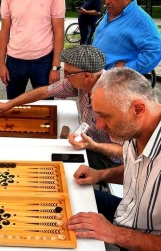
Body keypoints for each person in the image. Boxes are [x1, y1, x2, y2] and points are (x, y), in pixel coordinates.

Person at [67, 67, 161, 251]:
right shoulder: (134, 127)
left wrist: (114, 233)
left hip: (148, 239)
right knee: (66, 196)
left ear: (138, 109)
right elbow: (139, 170)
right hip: (127, 211)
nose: (99, 125)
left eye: (105, 116)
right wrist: (100, 175)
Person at [0, 45, 123, 169]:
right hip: (90, 143)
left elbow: (125, 151)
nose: (64, 77)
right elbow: (44, 91)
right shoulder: (84, 81)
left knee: (49, 159)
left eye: (68, 73)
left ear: (86, 76)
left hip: (111, 160)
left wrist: (93, 146)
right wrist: (8, 104)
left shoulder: (114, 99)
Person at [0, 0, 65, 99]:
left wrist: (55, 67)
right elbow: (4, 31)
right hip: (14, 61)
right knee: (13, 105)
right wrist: (2, 64)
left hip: (43, 60)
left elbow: (59, 32)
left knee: (46, 107)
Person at [93, 0, 161, 74]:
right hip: (94, 75)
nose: (106, 1)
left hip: (114, 82)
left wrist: (128, 68)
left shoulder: (140, 19)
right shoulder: (111, 12)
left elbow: (155, 50)